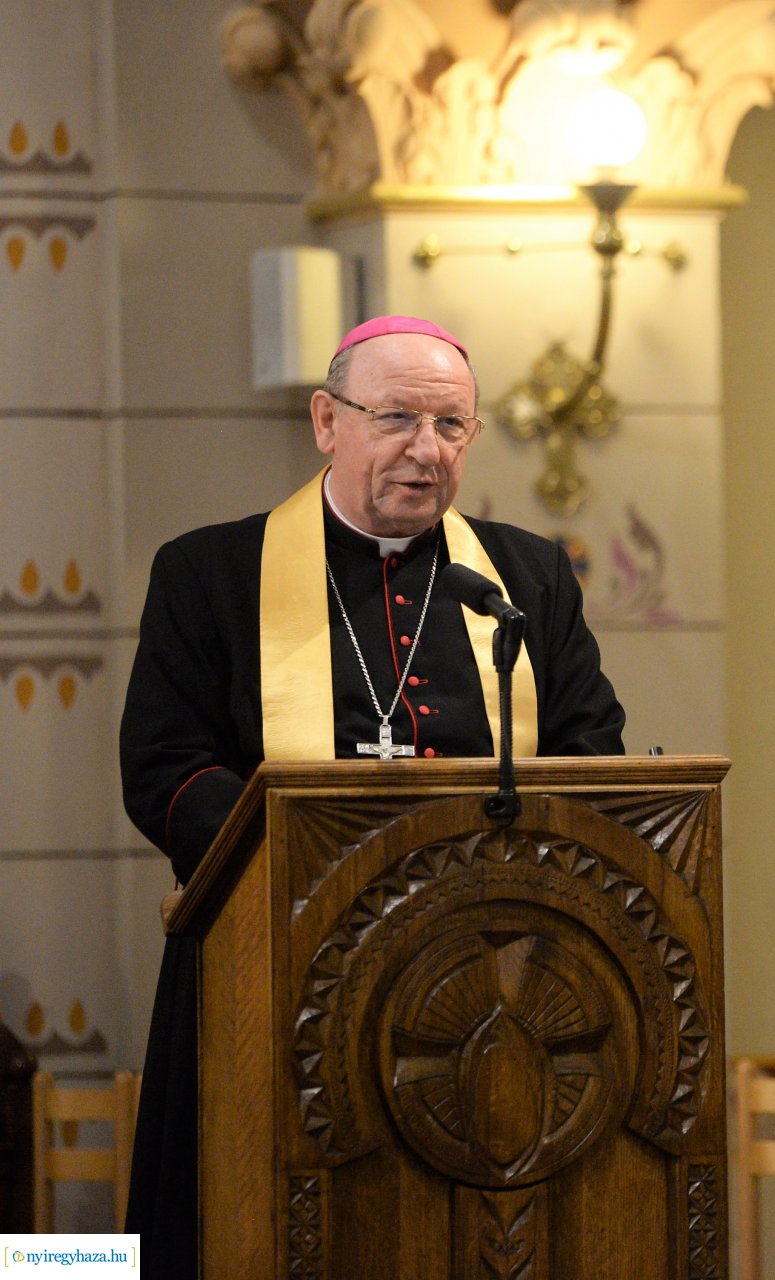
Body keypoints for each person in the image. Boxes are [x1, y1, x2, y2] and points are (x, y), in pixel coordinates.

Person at [118, 316, 625, 1274]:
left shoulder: (524, 578)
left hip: (492, 982)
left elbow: (591, 750)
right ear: (326, 420)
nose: (425, 452)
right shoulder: (210, 574)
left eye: (451, 428)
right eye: (396, 419)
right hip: (269, 970)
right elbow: (163, 765)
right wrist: (313, 863)